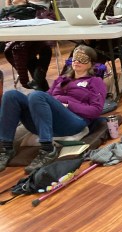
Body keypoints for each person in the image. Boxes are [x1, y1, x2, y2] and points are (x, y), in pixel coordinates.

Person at [0, 45, 106, 173]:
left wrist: (67, 104)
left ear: (91, 64)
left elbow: (95, 111)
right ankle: (6, 148)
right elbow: (46, 98)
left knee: (37, 95)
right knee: (11, 95)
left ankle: (47, 149)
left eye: (82, 58)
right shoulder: (62, 79)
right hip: (48, 120)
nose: (77, 61)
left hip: (73, 121)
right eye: (75, 58)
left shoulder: (95, 81)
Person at [1, 0, 52, 91]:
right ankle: (40, 86)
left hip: (36, 38)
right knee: (29, 56)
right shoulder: (6, 11)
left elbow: (50, 16)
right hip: (18, 40)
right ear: (12, 1)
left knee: (46, 49)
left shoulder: (35, 8)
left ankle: (35, 84)